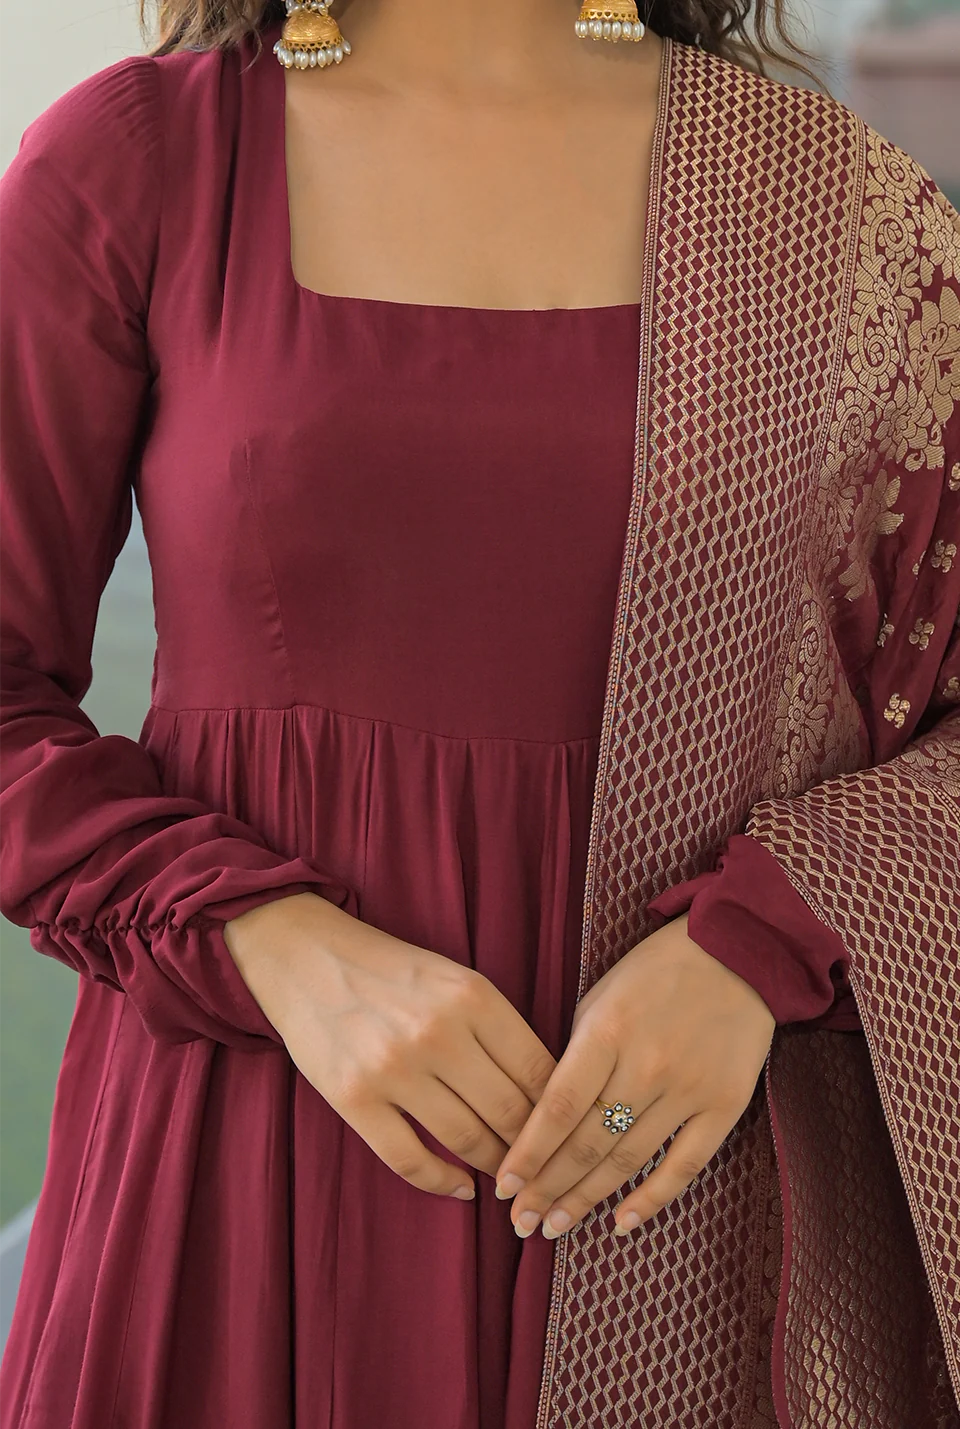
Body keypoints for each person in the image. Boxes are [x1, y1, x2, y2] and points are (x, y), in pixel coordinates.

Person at [0, 0, 957, 1423]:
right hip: (241, 1162)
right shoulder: (142, 163)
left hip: (680, 1189)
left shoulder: (833, 205)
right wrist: (273, 943)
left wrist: (759, 948)